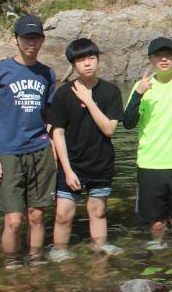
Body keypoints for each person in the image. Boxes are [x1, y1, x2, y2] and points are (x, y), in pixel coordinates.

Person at [0, 15, 58, 268]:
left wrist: (54, 150)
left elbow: (49, 117)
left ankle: (35, 264)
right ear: (15, 39)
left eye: (36, 38)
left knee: (37, 216)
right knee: (14, 220)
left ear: (42, 40)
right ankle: (12, 267)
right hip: (8, 153)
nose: (31, 43)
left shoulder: (47, 73)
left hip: (40, 150)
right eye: (26, 38)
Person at [47, 39, 123, 260]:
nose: (87, 64)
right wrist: (67, 170)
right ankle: (60, 251)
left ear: (98, 59)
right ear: (73, 64)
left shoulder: (110, 91)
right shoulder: (63, 93)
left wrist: (89, 101)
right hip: (72, 164)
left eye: (91, 58)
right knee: (63, 214)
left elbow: (109, 129)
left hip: (100, 162)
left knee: (97, 212)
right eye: (81, 60)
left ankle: (100, 247)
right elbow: (57, 133)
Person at [122, 37, 172, 247]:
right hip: (149, 164)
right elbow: (128, 123)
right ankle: (158, 254)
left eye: (168, 55)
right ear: (150, 59)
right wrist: (138, 94)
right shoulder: (142, 87)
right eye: (158, 55)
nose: (163, 59)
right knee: (156, 223)